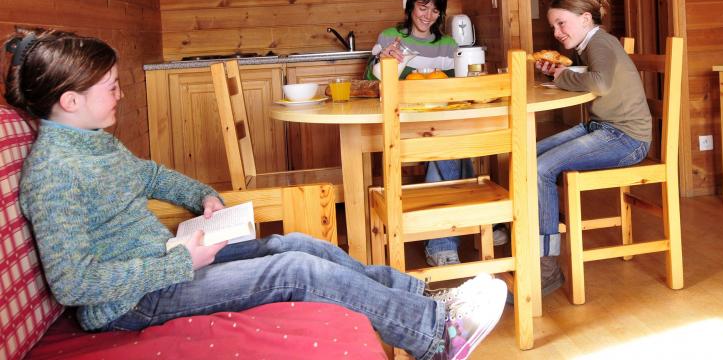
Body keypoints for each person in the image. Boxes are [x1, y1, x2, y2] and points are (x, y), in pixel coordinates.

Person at [3, 29, 507, 360]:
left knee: (298, 244)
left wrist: (203, 196)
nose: (120, 93)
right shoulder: (54, 174)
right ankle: (435, 335)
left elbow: (153, 177)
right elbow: (74, 284)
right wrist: (181, 262)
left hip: (165, 261)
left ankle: (417, 297)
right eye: (110, 87)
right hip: (132, 300)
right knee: (295, 270)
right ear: (70, 101)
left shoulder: (93, 143)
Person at [365, 0, 507, 267]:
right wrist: (386, 61)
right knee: (450, 148)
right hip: (402, 125)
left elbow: (461, 91)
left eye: (434, 10)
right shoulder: (391, 37)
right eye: (422, 7)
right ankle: (479, 219)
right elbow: (370, 80)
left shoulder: (449, 44)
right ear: (410, 5)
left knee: (448, 145)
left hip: (442, 123)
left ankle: (442, 242)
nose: (427, 16)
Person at [532, 0, 652, 296]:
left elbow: (600, 83)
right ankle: (535, 232)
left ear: (586, 19)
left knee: (539, 168)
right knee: (527, 156)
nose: (557, 32)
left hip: (626, 138)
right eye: (554, 26)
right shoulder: (592, 45)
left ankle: (546, 270)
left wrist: (560, 77)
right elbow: (592, 76)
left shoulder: (600, 42)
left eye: (561, 23)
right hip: (603, 128)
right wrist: (558, 73)